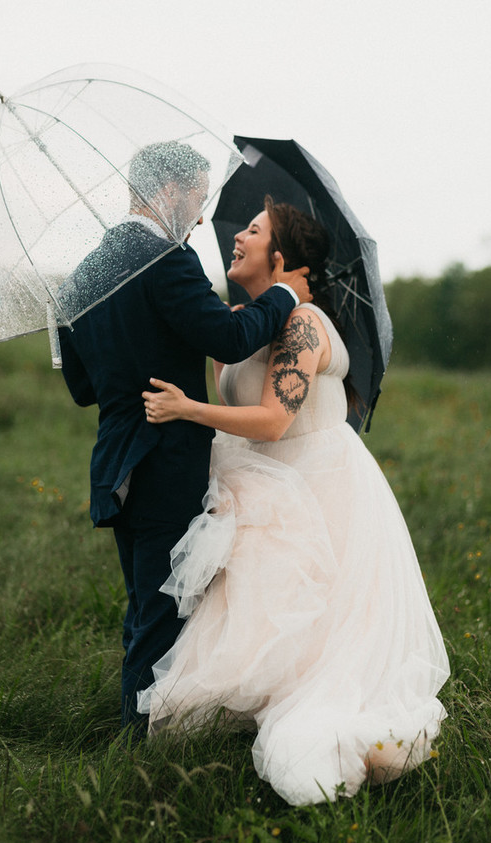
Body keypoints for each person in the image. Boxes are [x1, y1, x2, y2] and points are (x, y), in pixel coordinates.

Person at [138, 197, 450, 805]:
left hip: (318, 487)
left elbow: (275, 420)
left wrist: (186, 408)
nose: (237, 240)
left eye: (252, 232)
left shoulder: (302, 324)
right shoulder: (242, 322)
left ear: (280, 258)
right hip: (261, 491)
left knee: (320, 633)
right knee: (263, 617)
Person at [58, 144, 312, 733]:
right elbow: (227, 337)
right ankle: (138, 750)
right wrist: (284, 296)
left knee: (144, 602)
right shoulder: (164, 259)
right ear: (169, 189)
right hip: (165, 459)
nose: (201, 217)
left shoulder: (80, 278)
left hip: (114, 463)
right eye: (198, 198)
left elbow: (79, 387)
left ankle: (135, 723)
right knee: (163, 611)